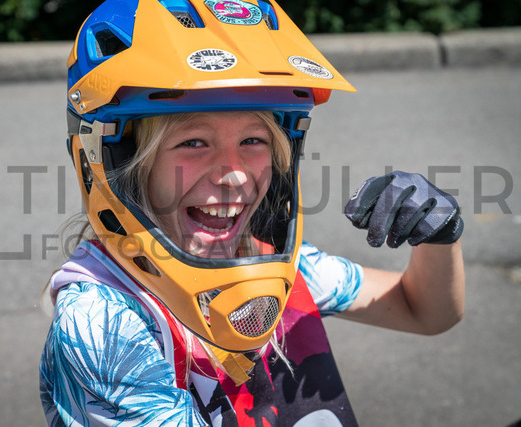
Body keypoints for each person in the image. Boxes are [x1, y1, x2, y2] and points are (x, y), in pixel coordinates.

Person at [39, 0, 465, 425]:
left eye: (253, 141)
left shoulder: (273, 265)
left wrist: (439, 236)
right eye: (193, 142)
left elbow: (423, 310)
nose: (235, 176)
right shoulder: (104, 322)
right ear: (122, 165)